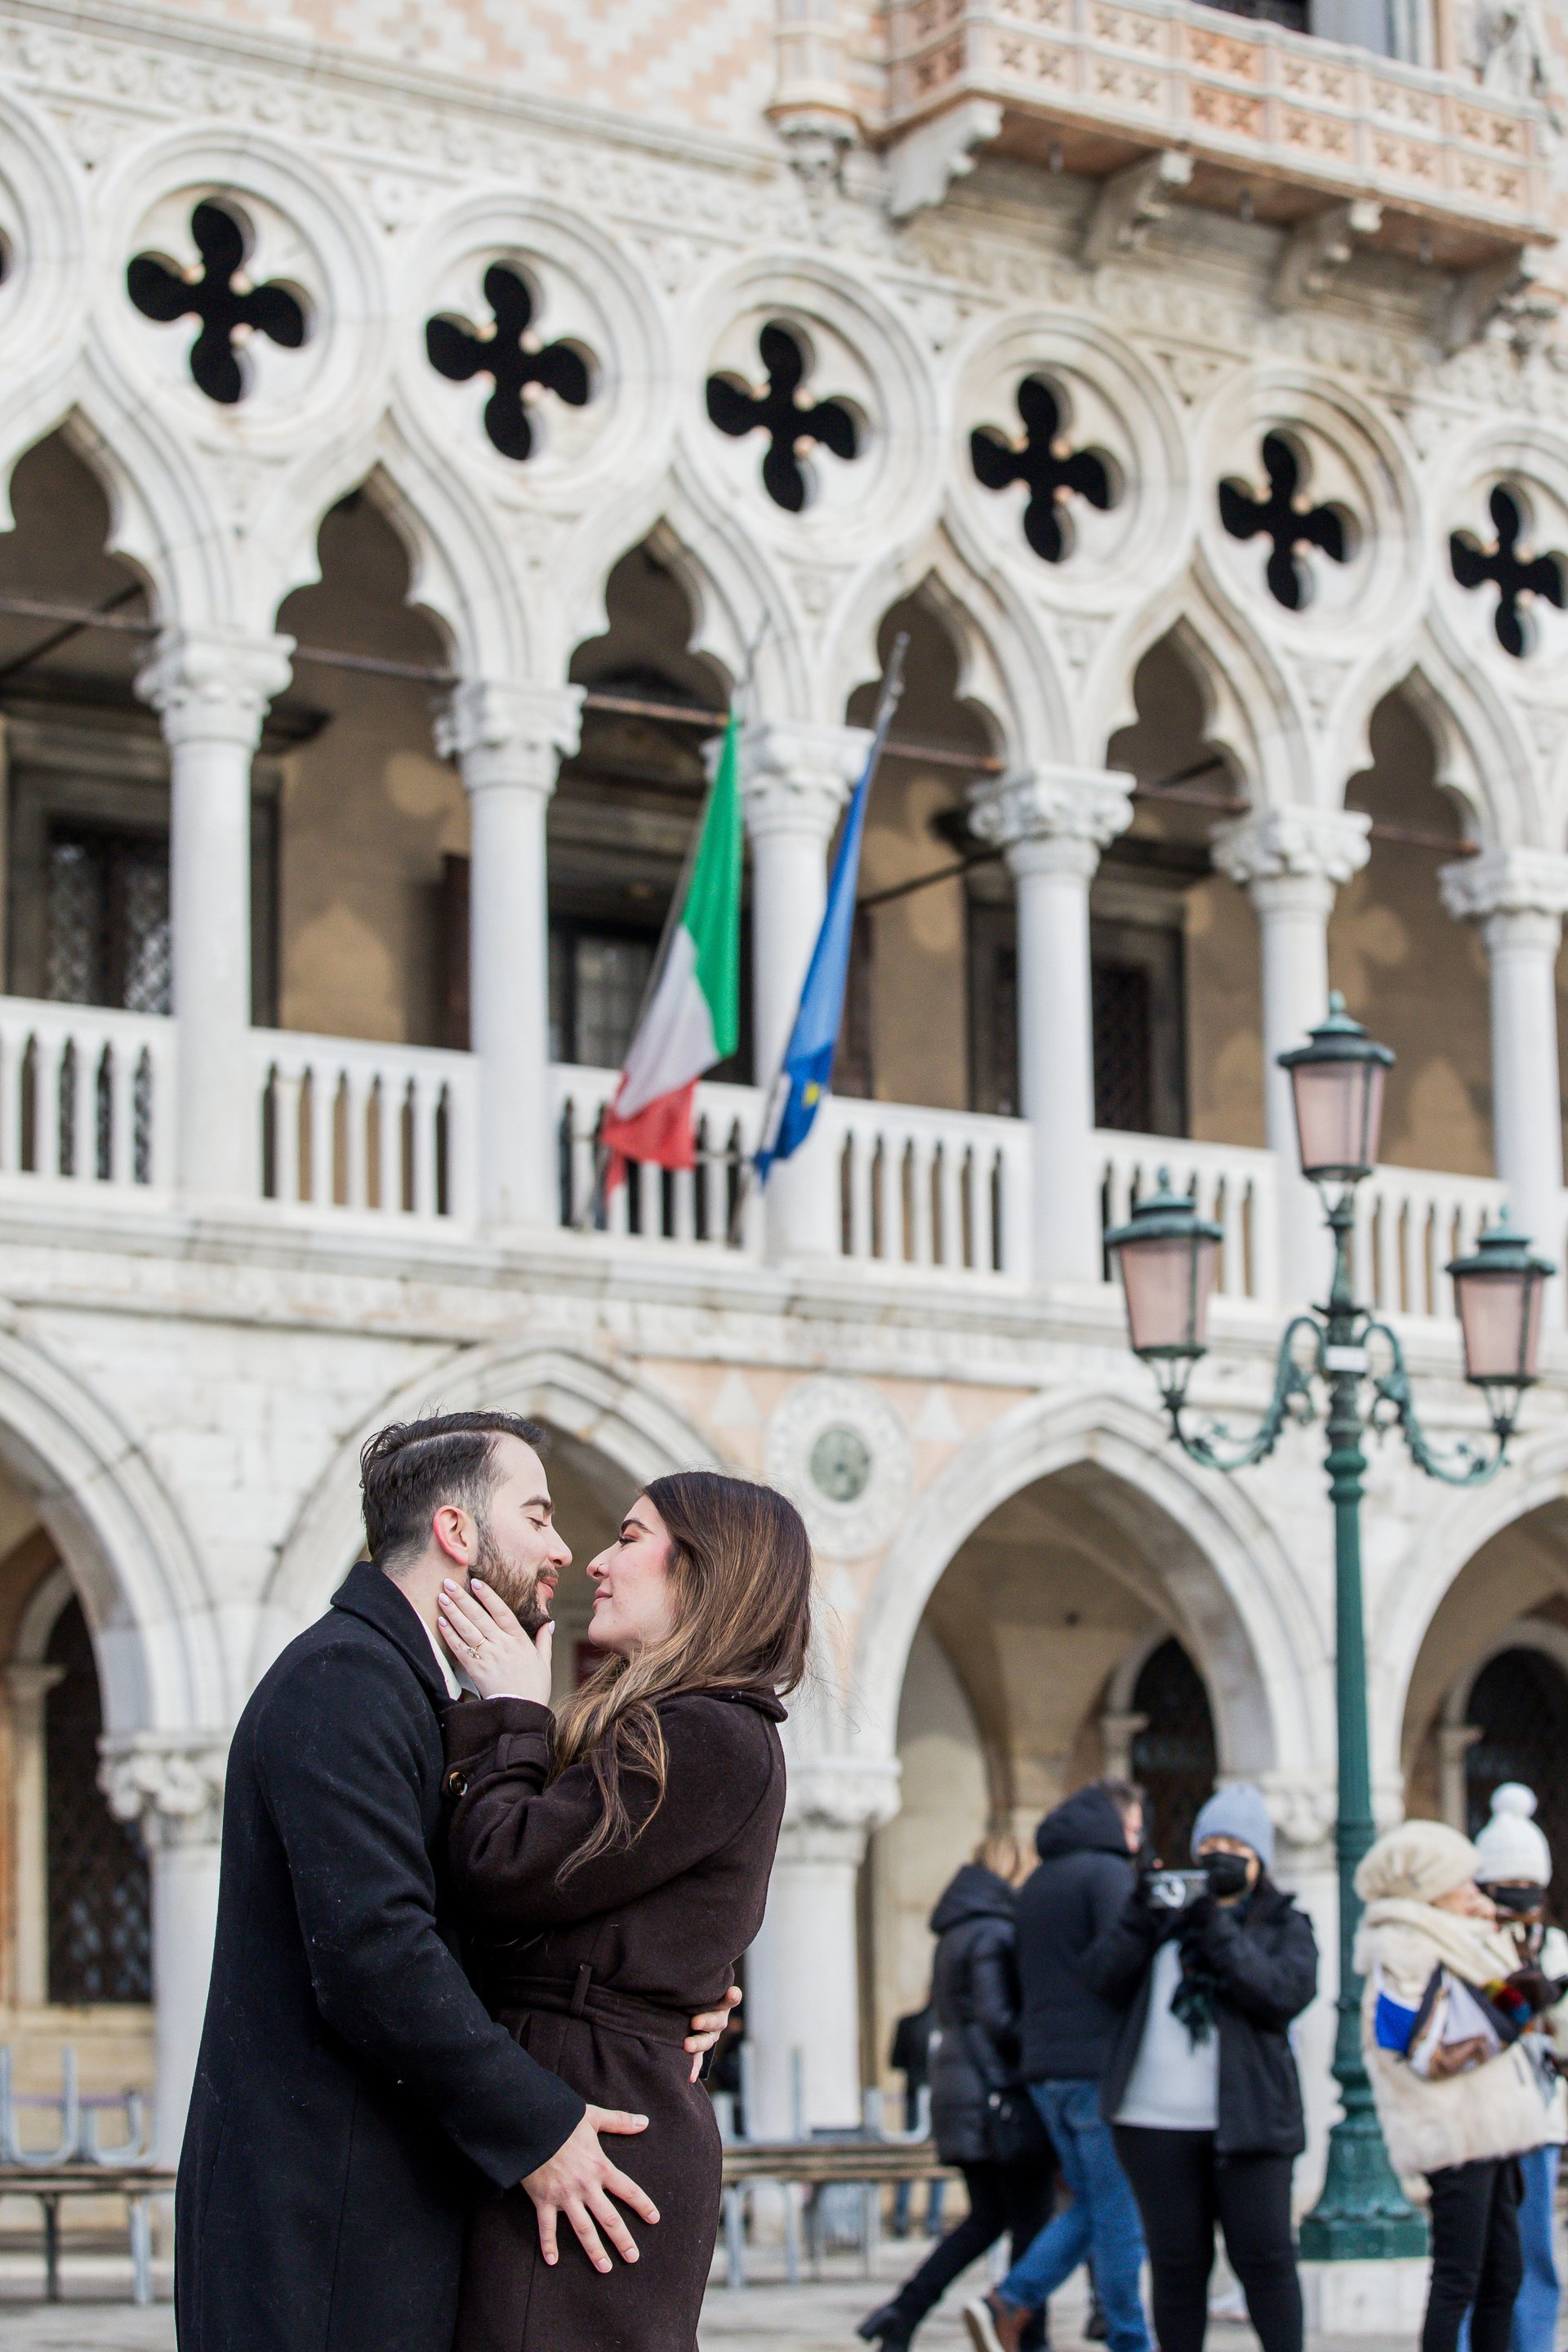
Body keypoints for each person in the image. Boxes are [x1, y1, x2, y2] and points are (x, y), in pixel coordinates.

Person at [176, 1410, 737, 2352]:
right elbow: (375, 1953)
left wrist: (672, 1986)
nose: (565, 1548)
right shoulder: (343, 1679)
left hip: (385, 2212)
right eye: (537, 1517)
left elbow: (491, 1912)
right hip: (319, 2225)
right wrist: (542, 2129)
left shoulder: (417, 1689)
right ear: (457, 1532)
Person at [436, 1469, 813, 2352]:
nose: (598, 1562)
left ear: (703, 1571)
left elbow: (505, 1866)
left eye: (631, 1537)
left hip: (600, 2131)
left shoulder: (711, 1733)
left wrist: (512, 1714)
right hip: (583, 2101)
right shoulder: (674, 1725)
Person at [1093, 1784, 1317, 2352]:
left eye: (1235, 1845)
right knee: (1177, 2266)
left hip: (1252, 2122)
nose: (1220, 1853)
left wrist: (1216, 1927)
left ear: (1260, 1858)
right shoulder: (1166, 1919)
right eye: (1210, 1842)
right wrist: (1139, 1917)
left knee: (1264, 2258)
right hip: (1153, 2123)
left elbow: (1279, 1994)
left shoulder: (1285, 1924)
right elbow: (1100, 1981)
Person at [1356, 1816, 1559, 2352]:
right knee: (1458, 2279)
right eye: (1463, 1882)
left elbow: (1493, 2013)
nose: (1476, 1892)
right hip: (1452, 2132)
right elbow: (1422, 2048)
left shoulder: (1461, 1938)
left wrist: (1524, 1997)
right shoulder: (1402, 1945)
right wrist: (1515, 2010)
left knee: (1503, 2276)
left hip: (1493, 2130)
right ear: (1431, 1890)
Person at [964, 1780, 1153, 2352]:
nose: (1140, 1837)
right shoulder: (1109, 1874)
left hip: (1046, 2070)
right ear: (1115, 1822)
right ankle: (1129, 2339)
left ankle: (1010, 2300)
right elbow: (1114, 1966)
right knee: (1121, 2209)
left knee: (1095, 2202)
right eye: (1136, 1826)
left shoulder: (1040, 1882)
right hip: (1098, 2067)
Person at [858, 1834, 1054, 2350]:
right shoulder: (992, 1932)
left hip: (965, 2093)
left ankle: (902, 2312)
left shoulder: (958, 1931)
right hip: (995, 2098)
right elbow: (997, 2020)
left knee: (991, 2217)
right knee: (1030, 2220)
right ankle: (1029, 2338)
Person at [1470, 1784, 1568, 2352]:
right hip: (1479, 2120)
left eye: (1530, 1886)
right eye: (1509, 1884)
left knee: (1533, 2255)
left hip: (1537, 2120)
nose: (1519, 1897)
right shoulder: (1471, 1944)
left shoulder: (1555, 1947)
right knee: (1475, 2258)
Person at [889, 1996, 942, 2238]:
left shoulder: (909, 2023)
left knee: (909, 2156)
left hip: (914, 2094)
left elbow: (895, 2061)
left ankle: (901, 2216)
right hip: (941, 2097)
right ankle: (933, 2219)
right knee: (938, 2157)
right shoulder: (949, 2026)